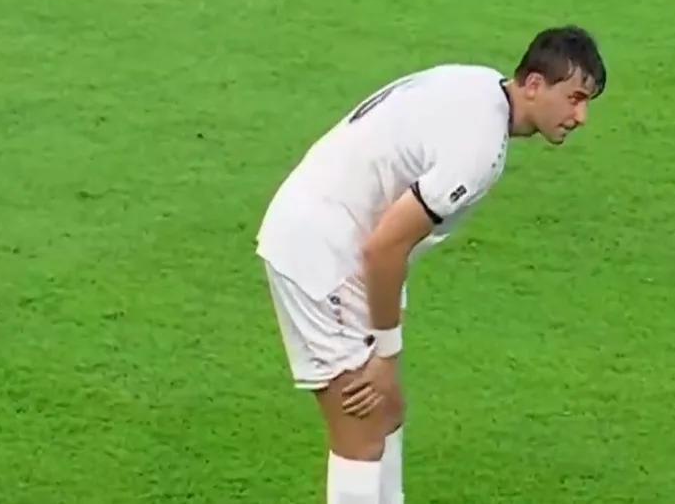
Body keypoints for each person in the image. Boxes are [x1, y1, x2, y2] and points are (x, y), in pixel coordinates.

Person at [254, 25, 608, 503]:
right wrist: (386, 352)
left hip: (333, 228)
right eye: (575, 99)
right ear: (533, 84)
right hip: (321, 249)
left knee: (387, 409)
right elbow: (384, 249)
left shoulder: (479, 84)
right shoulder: (479, 151)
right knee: (361, 424)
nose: (580, 117)